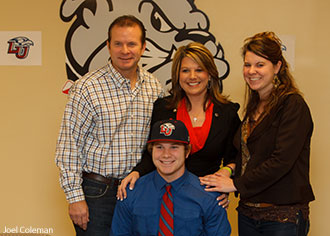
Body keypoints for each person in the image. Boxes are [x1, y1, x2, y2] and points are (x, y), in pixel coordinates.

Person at [55, 15, 163, 236]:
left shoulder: (153, 86)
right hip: (97, 193)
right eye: (118, 43)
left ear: (143, 47)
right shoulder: (87, 87)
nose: (125, 50)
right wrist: (75, 198)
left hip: (137, 190)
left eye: (132, 43)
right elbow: (69, 146)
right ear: (108, 46)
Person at [200, 32, 315, 236]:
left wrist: (235, 184)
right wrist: (228, 170)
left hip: (282, 217)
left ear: (277, 67)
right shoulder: (254, 106)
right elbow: (248, 156)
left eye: (260, 65)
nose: (251, 71)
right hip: (248, 214)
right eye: (247, 65)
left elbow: (281, 160)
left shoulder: (292, 105)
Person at [117, 42, 241, 207]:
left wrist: (224, 176)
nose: (192, 76)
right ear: (177, 75)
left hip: (207, 198)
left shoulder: (227, 112)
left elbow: (237, 156)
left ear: (210, 74)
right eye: (185, 70)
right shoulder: (163, 108)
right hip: (165, 197)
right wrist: (137, 172)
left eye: (199, 70)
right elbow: (153, 151)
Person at [110, 119, 231, 236]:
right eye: (159, 147)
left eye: (174, 147)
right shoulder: (130, 193)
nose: (166, 154)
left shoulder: (209, 196)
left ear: (187, 151)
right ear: (151, 151)